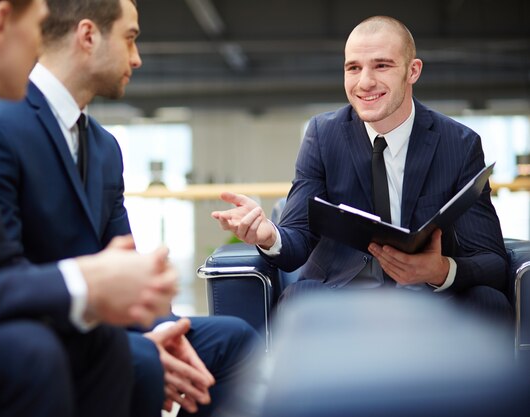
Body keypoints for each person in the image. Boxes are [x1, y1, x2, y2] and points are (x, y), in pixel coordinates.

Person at [0, 0, 259, 416]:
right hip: (38, 331)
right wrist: (130, 344)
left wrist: (167, 329)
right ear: (88, 35)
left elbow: (125, 255)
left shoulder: (105, 147)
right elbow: (2, 275)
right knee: (144, 361)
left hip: (108, 329)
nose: (137, 58)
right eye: (130, 39)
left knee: (231, 340)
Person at [0, 1, 178, 417]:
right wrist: (81, 281)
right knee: (31, 353)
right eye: (36, 28)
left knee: (104, 346)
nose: (41, 46)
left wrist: (97, 296)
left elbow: (0, 267)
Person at [211, 15, 512, 322]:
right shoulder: (323, 135)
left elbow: (492, 261)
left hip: (428, 295)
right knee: (299, 301)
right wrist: (267, 235)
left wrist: (440, 270)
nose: (365, 82)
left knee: (488, 301)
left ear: (413, 71)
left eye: (382, 65)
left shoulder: (459, 144)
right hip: (343, 293)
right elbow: (297, 242)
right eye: (353, 68)